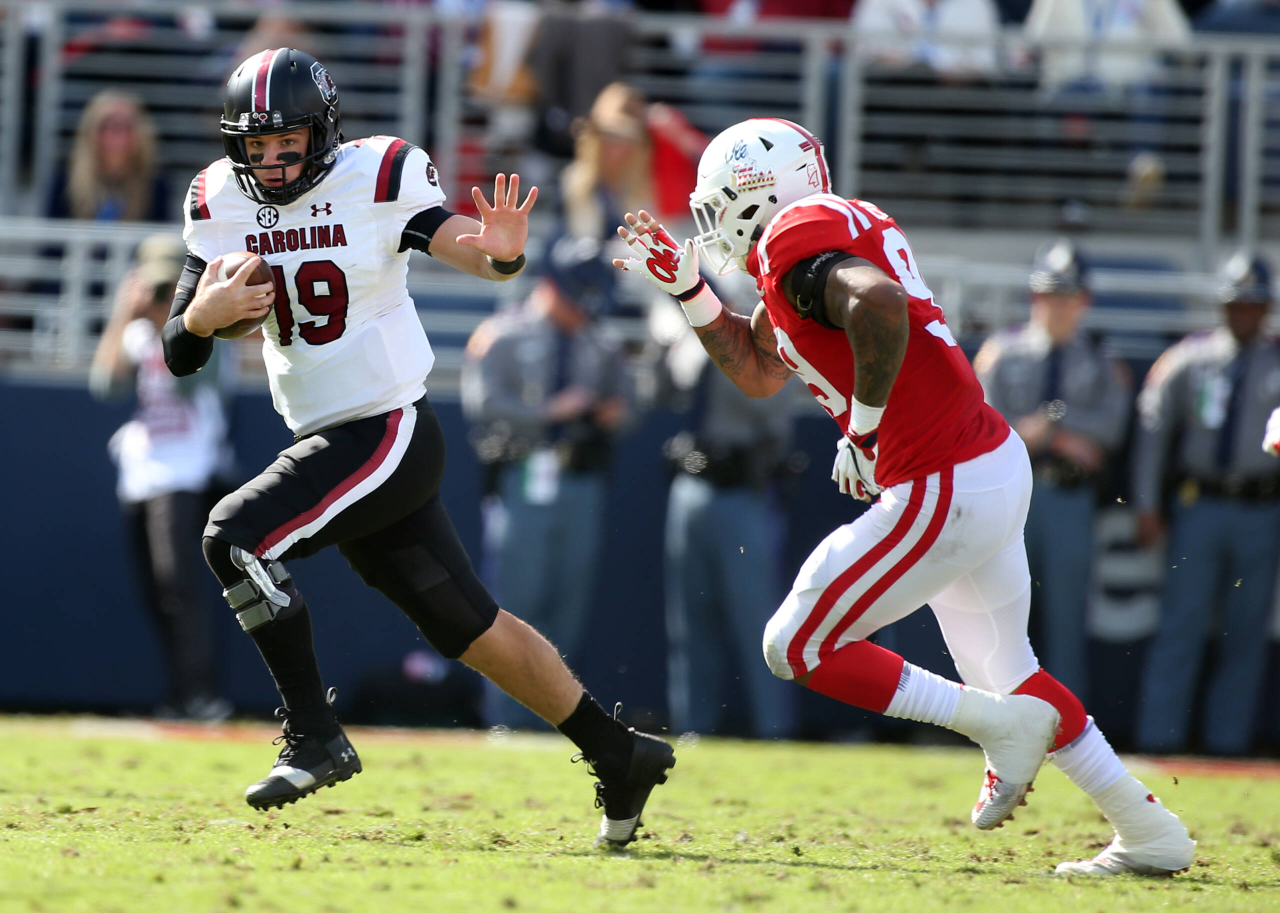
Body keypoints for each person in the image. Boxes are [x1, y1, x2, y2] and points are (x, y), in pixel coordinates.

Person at [615, 117, 1192, 875]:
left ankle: (996, 727)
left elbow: (879, 305)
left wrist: (862, 430)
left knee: (795, 644)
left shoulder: (795, 241)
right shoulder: (811, 245)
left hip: (942, 477)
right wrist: (688, 288)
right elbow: (759, 368)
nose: (711, 220)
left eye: (720, 200)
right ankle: (1147, 829)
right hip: (984, 461)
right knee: (1010, 669)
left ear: (758, 191)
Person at [161, 47, 673, 846]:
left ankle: (314, 733)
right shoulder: (217, 199)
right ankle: (619, 752)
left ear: (323, 131)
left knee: (233, 537)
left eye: (285, 140)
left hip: (385, 428)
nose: (269, 158)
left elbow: (471, 251)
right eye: (253, 144)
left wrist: (501, 250)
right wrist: (204, 313)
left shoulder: (378, 174)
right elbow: (178, 348)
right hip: (335, 437)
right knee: (472, 628)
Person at [461, 234, 630, 729]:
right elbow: (484, 405)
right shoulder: (503, 334)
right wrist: (547, 412)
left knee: (568, 600)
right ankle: (504, 721)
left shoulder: (601, 342)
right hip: (524, 473)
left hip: (580, 476)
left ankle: (555, 719)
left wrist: (610, 412)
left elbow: (629, 405)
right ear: (552, 285)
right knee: (516, 601)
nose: (585, 309)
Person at [1132, 252, 1280, 756]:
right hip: (1199, 507)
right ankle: (1159, 738)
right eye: (1236, 302)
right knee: (1181, 624)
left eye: (1253, 304)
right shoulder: (1188, 360)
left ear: (1267, 308)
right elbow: (1153, 431)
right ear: (1222, 305)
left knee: (1246, 630)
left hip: (1262, 509)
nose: (1244, 312)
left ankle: (1228, 743)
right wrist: (1147, 505)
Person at [973, 240, 1131, 699]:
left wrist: (1053, 425)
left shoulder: (1101, 358)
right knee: (999, 622)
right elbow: (985, 428)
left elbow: (1112, 430)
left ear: (1086, 302)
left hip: (1068, 500)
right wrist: (1055, 435)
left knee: (1066, 624)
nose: (1059, 307)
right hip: (1011, 504)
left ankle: (1068, 728)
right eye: (1049, 296)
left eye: (1069, 297)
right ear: (1033, 299)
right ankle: (994, 719)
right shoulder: (1003, 352)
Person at [91, 233, 235, 721]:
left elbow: (196, 385)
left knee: (181, 585)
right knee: (154, 589)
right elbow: (105, 386)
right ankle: (181, 693)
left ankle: (201, 695)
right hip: (142, 471)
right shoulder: (136, 333)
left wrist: (169, 326)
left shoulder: (212, 328)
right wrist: (122, 317)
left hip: (189, 469)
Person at [656, 286, 801, 739]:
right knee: (691, 617)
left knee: (757, 620)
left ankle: (774, 728)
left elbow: (770, 423)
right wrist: (672, 348)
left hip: (743, 495)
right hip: (691, 491)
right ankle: (694, 728)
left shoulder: (764, 346)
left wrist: (719, 347)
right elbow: (659, 394)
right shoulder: (687, 344)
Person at [48, 90, 170, 223]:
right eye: (107, 125)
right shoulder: (66, 181)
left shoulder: (155, 185)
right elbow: (50, 238)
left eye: (125, 126)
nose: (116, 134)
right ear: (91, 132)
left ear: (139, 134)